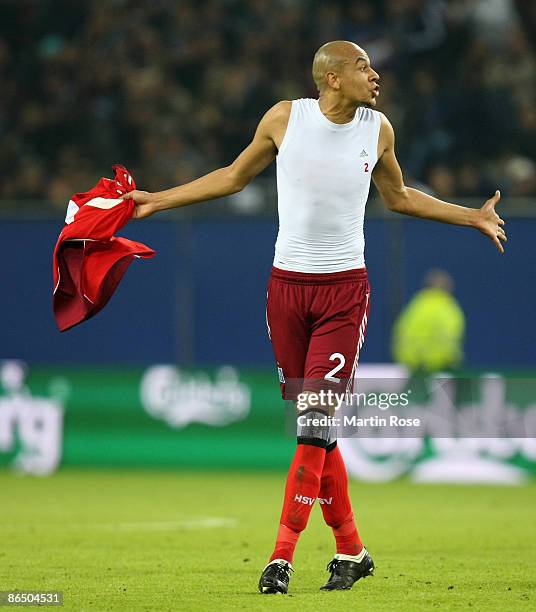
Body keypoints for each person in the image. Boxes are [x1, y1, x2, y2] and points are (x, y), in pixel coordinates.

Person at [123, 40, 507, 595]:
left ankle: (281, 557)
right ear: (330, 77)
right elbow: (233, 176)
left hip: (343, 294)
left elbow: (399, 198)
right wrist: (158, 200)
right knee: (319, 435)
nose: (374, 75)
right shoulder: (285, 118)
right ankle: (352, 551)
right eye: (362, 66)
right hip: (285, 290)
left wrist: (471, 215)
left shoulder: (378, 130)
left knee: (313, 425)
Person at [392, 269, 466, 373]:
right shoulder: (448, 308)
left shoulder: (416, 305)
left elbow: (400, 333)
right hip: (439, 368)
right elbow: (450, 338)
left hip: (411, 368)